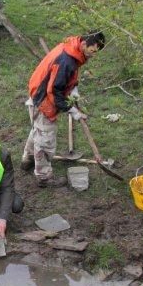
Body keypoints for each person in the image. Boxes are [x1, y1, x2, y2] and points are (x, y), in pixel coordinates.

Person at [22, 31, 106, 186]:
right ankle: (43, 177)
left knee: (39, 130)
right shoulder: (67, 60)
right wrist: (72, 110)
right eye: (92, 50)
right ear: (83, 44)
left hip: (42, 92)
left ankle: (28, 159)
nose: (94, 54)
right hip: (43, 99)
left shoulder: (73, 49)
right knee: (45, 140)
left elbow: (67, 76)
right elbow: (54, 90)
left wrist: (73, 88)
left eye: (97, 51)